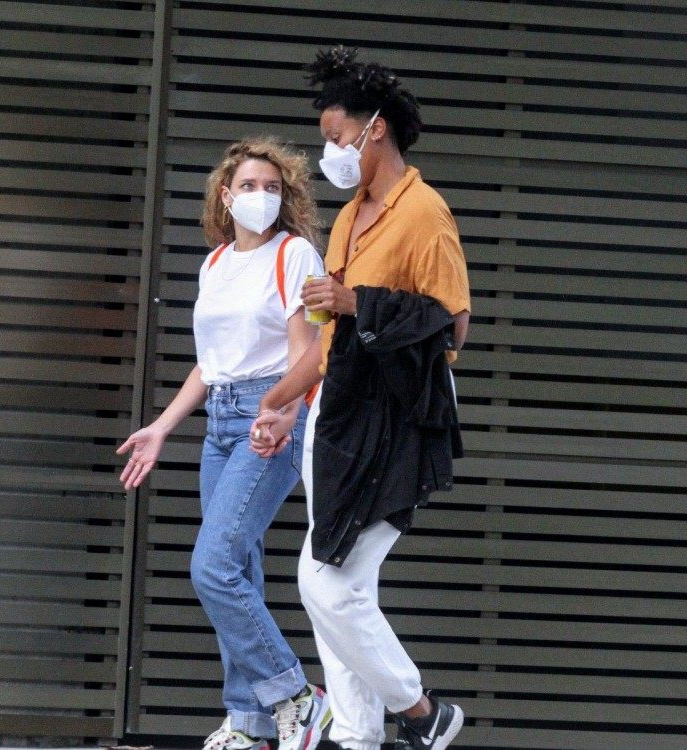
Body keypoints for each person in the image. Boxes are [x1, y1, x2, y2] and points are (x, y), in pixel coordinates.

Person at [250, 48, 471, 750]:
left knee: (327, 585)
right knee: (338, 588)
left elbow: (452, 324)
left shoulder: (425, 213)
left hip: (395, 419)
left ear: (375, 129)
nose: (331, 152)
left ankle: (422, 713)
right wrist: (281, 400)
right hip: (339, 415)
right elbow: (329, 340)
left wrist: (357, 302)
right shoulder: (349, 217)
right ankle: (355, 735)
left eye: (337, 135)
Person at [118, 137, 332, 750]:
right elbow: (211, 365)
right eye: (249, 186)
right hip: (220, 421)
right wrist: (162, 426)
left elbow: (308, 353)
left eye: (273, 188)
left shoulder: (294, 254)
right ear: (225, 196)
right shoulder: (214, 264)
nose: (261, 196)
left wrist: (284, 411)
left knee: (212, 566)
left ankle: (296, 696)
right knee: (237, 569)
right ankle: (248, 722)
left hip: (271, 414)